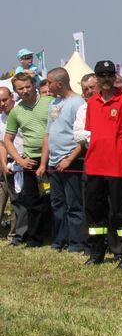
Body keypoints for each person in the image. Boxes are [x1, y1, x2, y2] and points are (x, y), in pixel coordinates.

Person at [82, 61, 122, 268]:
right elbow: (94, 133)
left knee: (121, 213)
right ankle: (97, 251)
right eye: (102, 75)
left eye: (110, 74)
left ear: (115, 76)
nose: (106, 78)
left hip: (117, 167)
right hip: (94, 166)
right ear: (97, 77)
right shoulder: (92, 102)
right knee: (94, 212)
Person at [4, 73, 54, 248]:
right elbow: (7, 140)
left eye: (27, 86)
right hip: (30, 160)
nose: (24, 91)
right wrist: (20, 159)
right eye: (20, 88)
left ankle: (58, 236)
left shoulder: (49, 102)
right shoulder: (16, 111)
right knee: (33, 201)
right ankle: (34, 239)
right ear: (15, 91)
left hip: (54, 157)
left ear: (34, 85)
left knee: (55, 199)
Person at [41, 68, 85, 252]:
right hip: (53, 163)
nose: (47, 85)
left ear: (59, 83)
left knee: (74, 204)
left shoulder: (78, 103)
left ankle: (76, 243)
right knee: (57, 203)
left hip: (71, 161)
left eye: (50, 82)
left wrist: (69, 159)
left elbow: (83, 138)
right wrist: (44, 163)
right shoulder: (54, 104)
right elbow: (48, 134)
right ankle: (60, 240)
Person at [0, 88, 21, 243]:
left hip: (21, 161)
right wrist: (3, 164)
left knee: (16, 201)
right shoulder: (1, 119)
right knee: (4, 198)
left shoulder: (20, 112)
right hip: (6, 161)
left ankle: (14, 234)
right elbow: (1, 144)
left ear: (12, 97)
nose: (2, 104)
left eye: (4, 100)